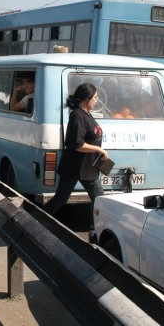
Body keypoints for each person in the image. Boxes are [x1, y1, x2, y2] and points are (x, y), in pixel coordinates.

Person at [43, 83, 108, 235]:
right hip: (75, 167)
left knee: (99, 200)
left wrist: (100, 152)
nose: (97, 100)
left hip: (89, 167)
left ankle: (94, 231)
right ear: (87, 98)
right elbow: (78, 144)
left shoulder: (87, 114)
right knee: (61, 199)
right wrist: (99, 149)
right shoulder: (77, 115)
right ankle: (35, 222)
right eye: (95, 97)